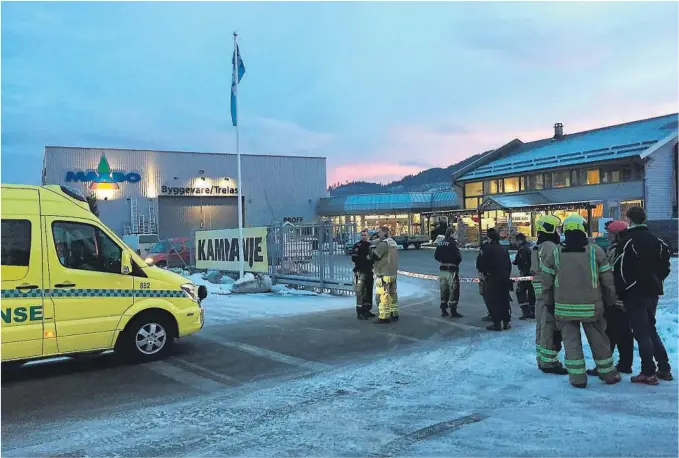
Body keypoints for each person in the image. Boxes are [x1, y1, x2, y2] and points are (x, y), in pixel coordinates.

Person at [541, 214, 621, 388]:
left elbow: (546, 282)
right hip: (592, 308)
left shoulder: (555, 252)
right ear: (583, 229)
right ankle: (608, 374)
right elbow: (607, 282)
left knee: (571, 343)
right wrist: (610, 302)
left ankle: (577, 379)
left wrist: (548, 302)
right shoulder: (595, 251)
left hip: (564, 309)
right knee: (599, 340)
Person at [613, 206, 673, 384]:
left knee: (641, 332)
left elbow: (620, 270)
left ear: (629, 220)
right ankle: (664, 367)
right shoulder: (657, 241)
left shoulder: (628, 241)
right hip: (652, 292)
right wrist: (655, 280)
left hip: (635, 293)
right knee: (650, 328)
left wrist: (622, 290)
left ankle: (648, 372)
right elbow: (665, 267)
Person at [587, 220, 634, 376]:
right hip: (624, 296)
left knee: (610, 331)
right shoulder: (626, 247)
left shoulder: (617, 250)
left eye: (610, 233)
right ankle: (625, 363)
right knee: (623, 331)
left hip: (616, 296)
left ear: (618, 234)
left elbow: (611, 275)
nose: (607, 236)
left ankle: (606, 365)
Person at [531, 215, 567, 375]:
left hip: (540, 292)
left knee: (542, 326)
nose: (558, 231)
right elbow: (553, 271)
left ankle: (543, 359)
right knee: (548, 327)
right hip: (548, 292)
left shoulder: (539, 246)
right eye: (557, 228)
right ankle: (548, 362)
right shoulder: (550, 247)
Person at [476, 228, 512, 331]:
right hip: (504, 277)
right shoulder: (503, 249)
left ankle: (497, 323)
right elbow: (508, 264)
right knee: (504, 299)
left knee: (494, 300)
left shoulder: (486, 249)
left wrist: (484, 274)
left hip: (492, 277)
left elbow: (480, 264)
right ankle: (506, 322)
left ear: (489, 238)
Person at [372, 226, 400, 324]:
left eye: (379, 233)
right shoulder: (393, 242)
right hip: (393, 272)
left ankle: (384, 317)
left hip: (384, 273)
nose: (378, 234)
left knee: (383, 295)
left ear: (384, 233)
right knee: (393, 294)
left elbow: (375, 255)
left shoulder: (384, 244)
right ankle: (394, 313)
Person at [434, 227, 463, 317]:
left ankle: (443, 309)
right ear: (451, 233)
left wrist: (442, 260)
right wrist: (455, 263)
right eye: (455, 233)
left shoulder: (441, 243)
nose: (456, 235)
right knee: (453, 290)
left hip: (442, 269)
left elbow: (436, 256)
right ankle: (453, 310)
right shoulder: (453, 243)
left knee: (444, 290)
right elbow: (458, 257)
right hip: (452, 269)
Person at [351, 229, 375, 320]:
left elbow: (374, 258)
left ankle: (367, 310)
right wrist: (365, 258)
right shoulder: (357, 246)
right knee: (360, 292)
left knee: (369, 291)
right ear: (360, 236)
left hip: (369, 271)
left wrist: (370, 260)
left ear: (368, 236)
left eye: (365, 235)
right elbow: (354, 258)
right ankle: (360, 312)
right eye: (362, 235)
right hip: (360, 271)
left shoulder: (370, 245)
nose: (364, 237)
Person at [513, 233, 536, 320]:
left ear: (520, 240)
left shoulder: (523, 249)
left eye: (516, 240)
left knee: (520, 291)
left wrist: (515, 262)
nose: (515, 243)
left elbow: (521, 260)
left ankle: (526, 312)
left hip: (525, 273)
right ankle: (533, 312)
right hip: (532, 273)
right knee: (531, 293)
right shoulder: (529, 247)